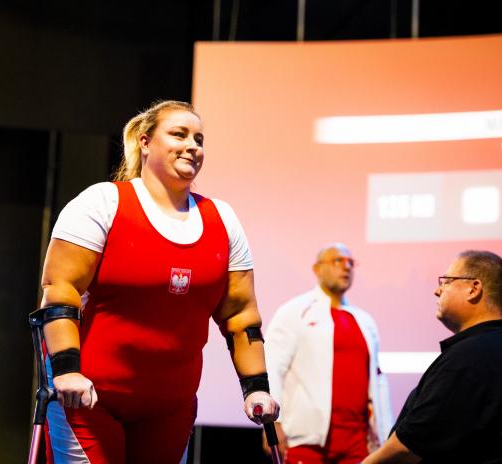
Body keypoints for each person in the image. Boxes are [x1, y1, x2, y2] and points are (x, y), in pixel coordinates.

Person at [37, 100, 279, 463]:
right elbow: (60, 291)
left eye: (199, 138)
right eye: (179, 134)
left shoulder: (222, 219)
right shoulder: (102, 202)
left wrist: (256, 389)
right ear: (145, 142)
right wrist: (67, 372)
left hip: (170, 410)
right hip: (89, 400)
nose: (192, 146)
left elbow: (241, 315)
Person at [364, 250, 502, 463]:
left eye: (446, 281)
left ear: (474, 289)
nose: (437, 291)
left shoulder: (467, 357)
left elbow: (409, 446)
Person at [263, 243, 392, 464]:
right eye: (337, 261)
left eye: (350, 263)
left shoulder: (365, 321)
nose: (346, 267)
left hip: (356, 442)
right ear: (317, 269)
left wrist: (385, 432)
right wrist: (273, 422)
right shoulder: (294, 311)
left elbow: (378, 382)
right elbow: (272, 368)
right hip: (307, 440)